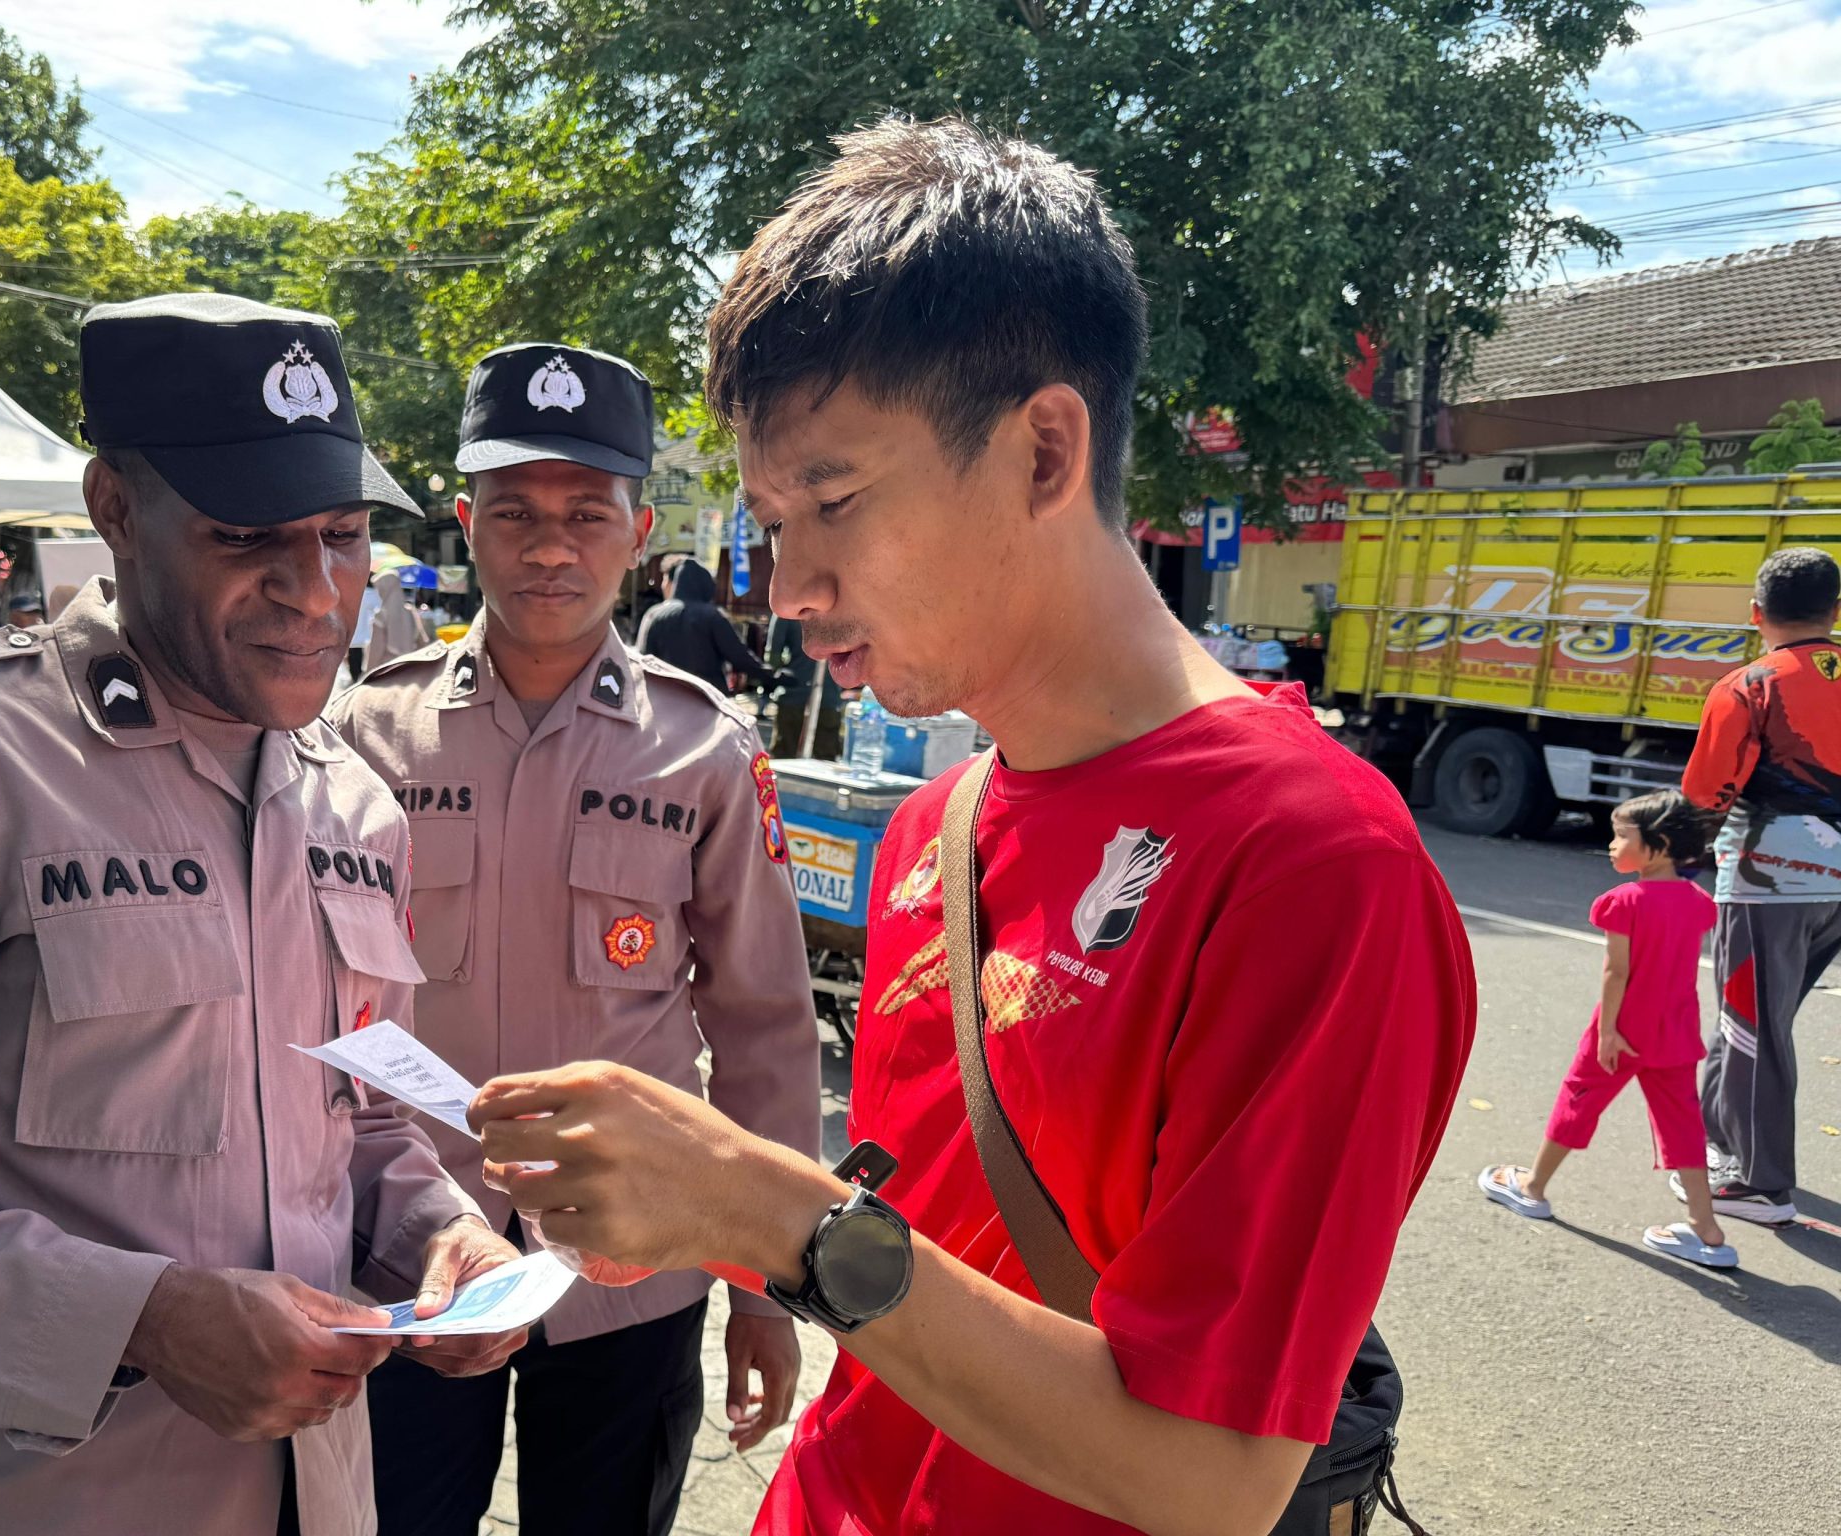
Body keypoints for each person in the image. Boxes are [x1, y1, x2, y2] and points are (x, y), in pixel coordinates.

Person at [464, 120, 1476, 1536]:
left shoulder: (1312, 866)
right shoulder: (942, 822)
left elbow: (1212, 1479)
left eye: (833, 500)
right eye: (767, 521)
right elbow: (924, 1257)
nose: (793, 585)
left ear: (1046, 449)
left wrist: (760, 1215)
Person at [0, 294, 523, 1536]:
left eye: (348, 535)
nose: (316, 590)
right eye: (250, 533)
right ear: (112, 511)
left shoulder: (353, 802)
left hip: (325, 1495)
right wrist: (140, 1318)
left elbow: (352, 1123)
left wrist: (440, 1239)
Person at [329, 344, 821, 1536]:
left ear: (638, 528)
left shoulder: (703, 751)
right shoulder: (364, 734)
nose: (551, 546)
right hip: (410, 1252)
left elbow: (761, 1022)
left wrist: (768, 1285)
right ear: (465, 522)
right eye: (516, 513)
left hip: (634, 1266)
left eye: (586, 514)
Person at [1479, 791, 1733, 1267]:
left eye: (1621, 837)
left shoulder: (1622, 901)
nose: (1612, 846)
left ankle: (1533, 1187)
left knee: (1579, 1099)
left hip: (1622, 1029)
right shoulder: (1700, 903)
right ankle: (1706, 1227)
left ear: (1657, 844)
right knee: (1682, 1124)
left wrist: (1609, 1031)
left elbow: (1618, 971)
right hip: (1675, 1033)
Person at [1678, 546, 1841, 1226]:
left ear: (1756, 613)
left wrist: (1678, 859)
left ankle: (1758, 1182)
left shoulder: (1748, 685)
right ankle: (1720, 1142)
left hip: (1768, 881)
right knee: (1747, 1023)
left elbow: (1705, 793)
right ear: (1835, 612)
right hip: (1834, 889)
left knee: (1752, 1030)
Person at [636, 551, 783, 695]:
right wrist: (774, 677)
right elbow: (739, 657)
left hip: (665, 700)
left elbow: (642, 662)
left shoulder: (653, 614)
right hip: (708, 701)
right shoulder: (713, 616)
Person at [767, 615, 843, 760]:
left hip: (792, 694)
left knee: (784, 762)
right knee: (825, 764)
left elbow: (773, 658)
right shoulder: (841, 609)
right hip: (828, 697)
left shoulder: (786, 611)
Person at [362, 564, 425, 675]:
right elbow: (422, 640)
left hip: (387, 672)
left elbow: (376, 651)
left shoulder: (381, 616)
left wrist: (367, 674)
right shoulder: (410, 611)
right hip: (409, 669)